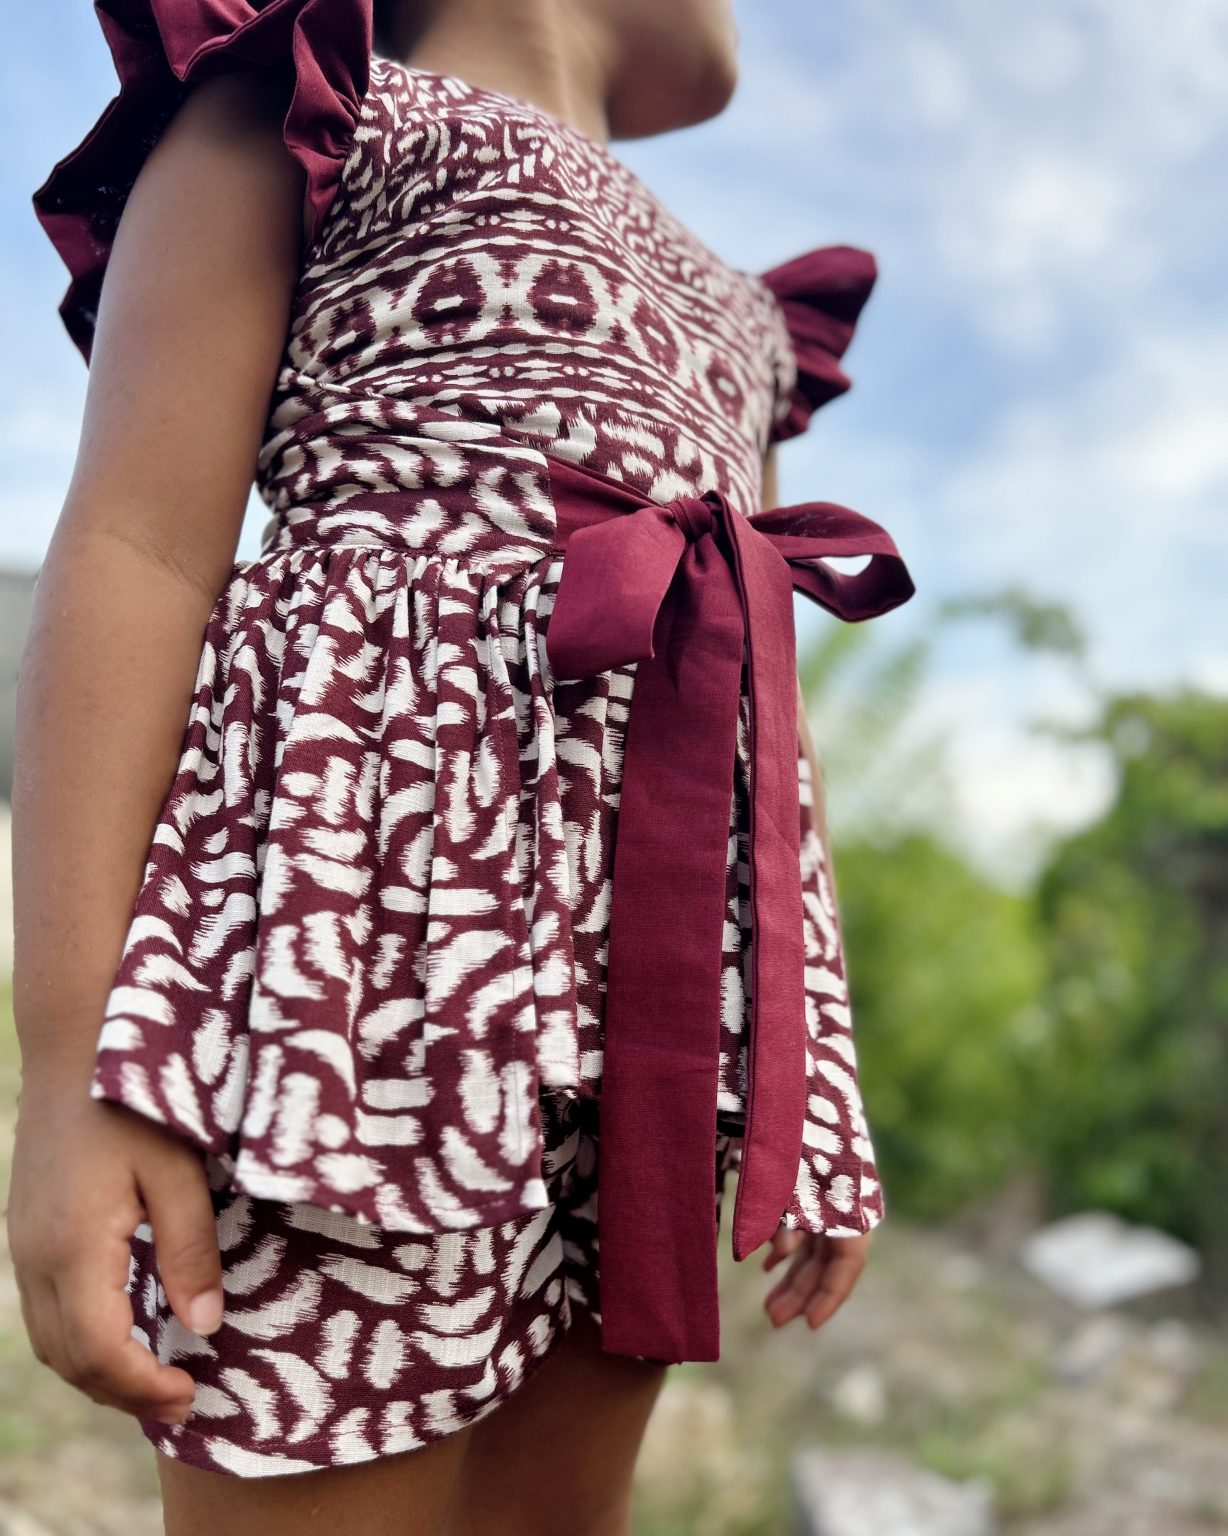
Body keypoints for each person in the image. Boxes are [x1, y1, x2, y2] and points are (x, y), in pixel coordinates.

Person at [8, 0, 913, 1529]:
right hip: (358, 1002)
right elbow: (138, 551)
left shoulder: (750, 321)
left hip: (648, 1015)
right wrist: (71, 1070)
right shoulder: (319, 115)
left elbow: (764, 721)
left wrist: (814, 1081)